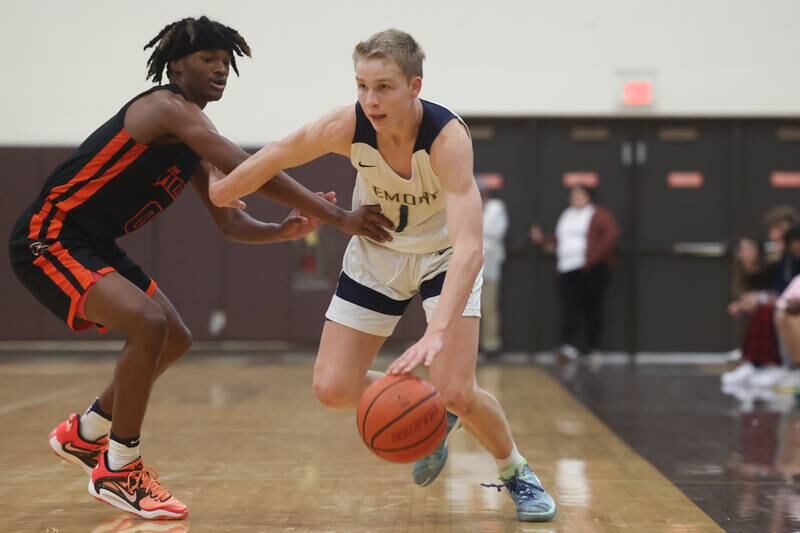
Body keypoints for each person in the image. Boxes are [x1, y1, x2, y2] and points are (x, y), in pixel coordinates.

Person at [8, 16, 392, 520]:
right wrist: (340, 217)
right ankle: (119, 468)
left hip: (92, 243)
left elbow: (230, 223)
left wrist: (281, 230)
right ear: (175, 67)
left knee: (174, 337)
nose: (220, 69)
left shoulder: (191, 140)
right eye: (208, 59)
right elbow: (246, 168)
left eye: (226, 61)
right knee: (148, 324)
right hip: (50, 235)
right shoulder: (166, 109)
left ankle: (87, 433)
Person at [208, 29, 557, 522]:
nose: (370, 100)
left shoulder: (446, 140)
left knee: (458, 389)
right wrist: (224, 192)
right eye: (362, 86)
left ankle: (515, 469)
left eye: (384, 87)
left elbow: (471, 250)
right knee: (332, 388)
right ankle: (432, 411)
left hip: (443, 258)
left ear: (415, 86)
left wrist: (436, 334)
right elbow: (279, 152)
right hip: (379, 255)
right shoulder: (346, 125)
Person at [530, 185, 618, 361]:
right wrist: (543, 240)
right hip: (567, 268)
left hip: (591, 269)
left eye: (579, 194)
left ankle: (593, 348)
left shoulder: (597, 213)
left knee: (592, 308)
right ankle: (568, 347)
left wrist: (592, 257)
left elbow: (611, 236)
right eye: (573, 195)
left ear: (588, 197)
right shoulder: (567, 214)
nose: (575, 198)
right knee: (570, 307)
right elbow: (562, 239)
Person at [479, 185, 508, 358]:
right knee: (468, 311)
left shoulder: (497, 208)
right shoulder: (467, 206)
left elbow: (494, 232)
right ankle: (472, 347)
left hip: (489, 268)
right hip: (467, 267)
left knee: (488, 307)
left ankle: (491, 346)